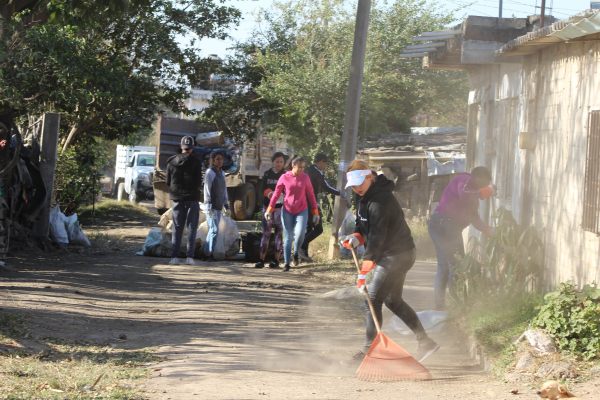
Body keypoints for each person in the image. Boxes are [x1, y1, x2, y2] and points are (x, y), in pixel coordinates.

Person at [340, 160, 439, 364]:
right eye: (353, 185)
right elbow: (363, 229)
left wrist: (364, 270)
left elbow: (377, 238)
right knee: (393, 301)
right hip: (392, 254)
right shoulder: (363, 198)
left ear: (370, 177)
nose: (356, 188)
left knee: (373, 298)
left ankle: (369, 351)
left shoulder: (381, 200)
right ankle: (426, 342)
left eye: (360, 182)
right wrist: (355, 237)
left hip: (397, 255)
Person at [428, 166, 497, 311]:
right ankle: (459, 305)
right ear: (482, 178)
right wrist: (485, 191)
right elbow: (464, 194)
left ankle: (439, 307)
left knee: (445, 266)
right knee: (457, 264)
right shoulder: (466, 179)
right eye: (486, 183)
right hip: (445, 224)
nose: (485, 186)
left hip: (440, 224)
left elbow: (474, 218)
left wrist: (488, 230)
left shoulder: (472, 196)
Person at [265, 155, 319, 272]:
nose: (301, 170)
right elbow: (276, 194)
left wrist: (315, 212)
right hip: (287, 211)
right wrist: (270, 210)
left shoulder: (305, 178)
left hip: (302, 210)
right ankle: (286, 264)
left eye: (303, 167)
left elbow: (311, 195)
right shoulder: (284, 177)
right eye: (299, 167)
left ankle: (295, 253)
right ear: (293, 166)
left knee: (300, 234)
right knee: (288, 237)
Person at [298, 153, 347, 262]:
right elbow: (327, 187)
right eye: (324, 164)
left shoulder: (305, 171)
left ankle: (303, 256)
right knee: (318, 229)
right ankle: (298, 247)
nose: (324, 167)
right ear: (322, 161)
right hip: (311, 204)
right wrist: (340, 193)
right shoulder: (317, 172)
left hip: (301, 204)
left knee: (308, 229)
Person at [166, 135, 203, 266]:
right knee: (192, 227)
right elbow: (199, 182)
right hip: (192, 198)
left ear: (181, 146)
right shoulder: (197, 162)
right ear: (192, 147)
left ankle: (174, 257)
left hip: (177, 198)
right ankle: (189, 257)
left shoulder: (171, 161)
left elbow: (168, 182)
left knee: (177, 227)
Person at [255, 152, 287, 269]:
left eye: (281, 162)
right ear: (273, 162)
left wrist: (282, 196)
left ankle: (276, 260)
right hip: (267, 207)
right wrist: (270, 195)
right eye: (277, 161)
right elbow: (262, 188)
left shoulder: (285, 174)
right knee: (266, 233)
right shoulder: (267, 174)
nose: (279, 164)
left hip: (280, 208)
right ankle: (261, 260)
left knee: (279, 234)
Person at [202, 151, 231, 262]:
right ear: (212, 161)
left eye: (221, 159)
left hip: (218, 206)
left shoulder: (222, 173)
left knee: (212, 230)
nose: (220, 161)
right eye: (218, 159)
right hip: (212, 207)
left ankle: (206, 253)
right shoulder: (210, 172)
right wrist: (208, 205)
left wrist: (226, 206)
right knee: (214, 230)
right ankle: (211, 254)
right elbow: (207, 190)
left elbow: (224, 190)